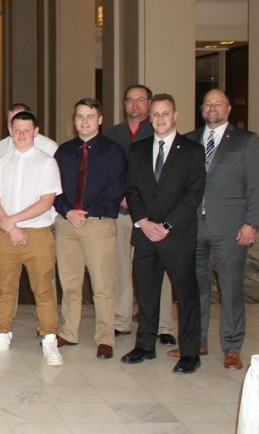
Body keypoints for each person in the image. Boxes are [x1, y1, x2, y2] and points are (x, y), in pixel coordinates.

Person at [181, 89, 259, 370]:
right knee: (195, 288)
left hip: (231, 229)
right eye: (207, 104)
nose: (212, 108)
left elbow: (257, 186)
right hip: (194, 227)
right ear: (201, 109)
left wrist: (251, 222)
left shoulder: (246, 141)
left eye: (218, 104)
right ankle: (198, 342)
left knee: (230, 289)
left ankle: (232, 347)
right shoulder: (190, 140)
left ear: (228, 109)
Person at [120, 93, 205, 374]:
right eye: (155, 114)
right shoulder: (138, 149)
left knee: (186, 295)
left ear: (175, 115)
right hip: (145, 234)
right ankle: (145, 345)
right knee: (146, 294)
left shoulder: (192, 150)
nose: (159, 119)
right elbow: (131, 189)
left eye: (165, 113)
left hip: (177, 236)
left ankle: (190, 353)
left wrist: (166, 226)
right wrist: (143, 221)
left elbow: (193, 195)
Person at [0, 111, 64, 366]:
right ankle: (1, 333)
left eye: (27, 130)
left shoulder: (47, 162)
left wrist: (14, 220)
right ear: (10, 131)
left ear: (36, 131)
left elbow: (46, 202)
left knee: (43, 288)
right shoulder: (0, 163)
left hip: (37, 234)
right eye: (17, 130)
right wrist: (9, 225)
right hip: (5, 234)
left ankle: (48, 338)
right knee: (4, 287)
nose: (22, 134)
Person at [53, 98, 126, 359]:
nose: (84, 122)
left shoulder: (114, 152)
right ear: (74, 120)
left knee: (102, 285)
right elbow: (54, 189)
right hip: (67, 225)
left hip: (99, 225)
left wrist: (87, 212)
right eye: (79, 116)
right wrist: (68, 211)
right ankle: (69, 331)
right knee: (70, 283)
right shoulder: (63, 152)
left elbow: (116, 189)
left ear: (100, 119)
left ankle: (105, 337)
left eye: (90, 116)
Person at [105, 85, 177, 344]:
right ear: (124, 104)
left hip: (152, 215)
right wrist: (120, 196)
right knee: (121, 268)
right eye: (130, 100)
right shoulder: (112, 134)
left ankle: (164, 325)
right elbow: (107, 173)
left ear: (149, 104)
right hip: (122, 212)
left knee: (159, 271)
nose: (135, 105)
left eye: (140, 100)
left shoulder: (158, 132)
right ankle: (121, 321)